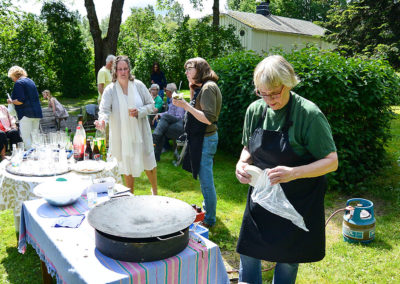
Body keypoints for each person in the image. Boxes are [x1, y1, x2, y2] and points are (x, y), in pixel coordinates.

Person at [234, 55, 338, 284]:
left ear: (289, 83)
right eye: (263, 93)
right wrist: (241, 164)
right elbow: (247, 147)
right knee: (249, 251)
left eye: (275, 93)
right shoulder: (255, 110)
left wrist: (293, 173)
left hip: (297, 200)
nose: (269, 100)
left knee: (288, 258)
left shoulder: (309, 114)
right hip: (262, 196)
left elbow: (331, 161)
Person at [95, 55, 158, 195]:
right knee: (126, 165)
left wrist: (140, 111)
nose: (123, 72)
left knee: (149, 162)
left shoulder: (139, 85)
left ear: (129, 70)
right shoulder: (110, 90)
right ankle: (130, 196)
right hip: (121, 134)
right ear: (115, 71)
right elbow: (104, 110)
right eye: (119, 69)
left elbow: (151, 105)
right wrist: (102, 121)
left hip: (140, 132)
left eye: (125, 69)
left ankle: (155, 191)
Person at [172, 58, 222, 228]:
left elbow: (207, 118)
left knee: (206, 180)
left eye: (189, 68)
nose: (186, 71)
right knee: (204, 178)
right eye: (185, 69)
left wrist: (185, 105)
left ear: (200, 68)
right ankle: (209, 209)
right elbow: (197, 107)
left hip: (206, 139)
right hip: (202, 138)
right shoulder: (204, 87)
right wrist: (191, 86)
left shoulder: (209, 88)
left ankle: (210, 219)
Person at [7, 66, 42, 149]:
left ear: (15, 75)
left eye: (12, 77)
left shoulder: (19, 83)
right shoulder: (31, 81)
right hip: (36, 113)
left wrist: (11, 101)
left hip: (25, 114)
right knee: (35, 138)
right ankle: (37, 156)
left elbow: (20, 100)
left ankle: (30, 157)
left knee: (26, 138)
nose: (13, 79)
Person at [152, 83, 185, 161]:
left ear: (170, 92)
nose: (164, 91)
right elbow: (170, 113)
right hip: (174, 125)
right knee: (162, 131)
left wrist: (167, 118)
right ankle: (156, 157)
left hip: (181, 126)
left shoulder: (178, 99)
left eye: (165, 90)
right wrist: (160, 114)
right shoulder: (172, 99)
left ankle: (154, 137)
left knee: (165, 120)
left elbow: (180, 117)